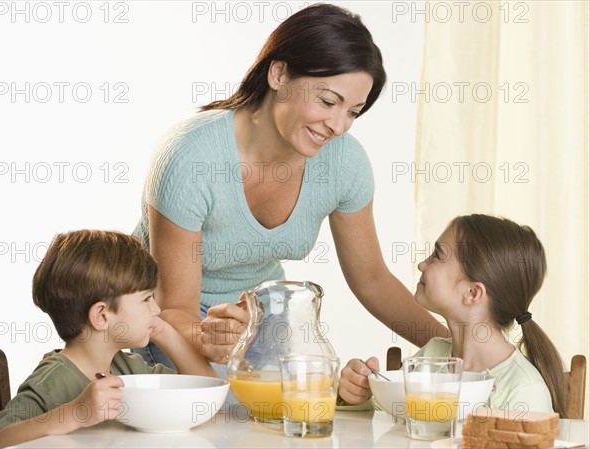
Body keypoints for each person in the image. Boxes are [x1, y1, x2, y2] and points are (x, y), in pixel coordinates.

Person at [132, 3, 449, 376]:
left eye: (353, 111)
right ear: (279, 74)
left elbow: (373, 280)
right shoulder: (192, 157)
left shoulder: (344, 162)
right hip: (161, 321)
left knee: (302, 409)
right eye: (328, 102)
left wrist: (457, 349)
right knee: (221, 418)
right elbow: (174, 308)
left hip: (257, 322)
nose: (338, 125)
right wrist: (208, 336)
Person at [0, 230, 216, 448]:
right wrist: (74, 413)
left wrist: (166, 333)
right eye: (147, 299)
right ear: (102, 316)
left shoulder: (128, 368)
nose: (156, 309)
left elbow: (208, 394)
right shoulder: (52, 381)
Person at [337, 214, 568, 416]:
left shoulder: (524, 390)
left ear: (472, 293)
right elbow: (384, 417)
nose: (421, 265)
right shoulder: (432, 355)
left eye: (437, 256)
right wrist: (358, 393)